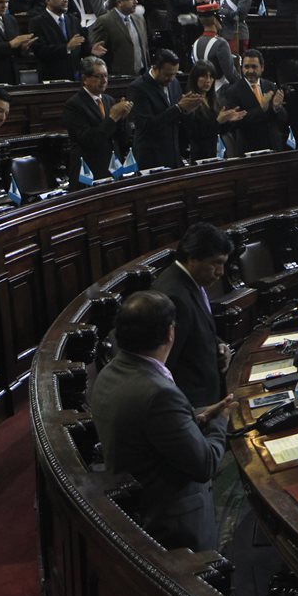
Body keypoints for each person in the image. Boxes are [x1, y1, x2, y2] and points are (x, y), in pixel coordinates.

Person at [90, 290, 233, 554]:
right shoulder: (159, 393)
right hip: (172, 525)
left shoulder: (110, 372)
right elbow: (205, 464)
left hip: (137, 508)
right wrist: (221, 420)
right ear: (170, 333)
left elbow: (148, 430)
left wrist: (197, 418)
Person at [151, 223, 234, 408]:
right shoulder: (173, 296)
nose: (220, 272)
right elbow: (166, 364)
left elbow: (196, 330)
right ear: (192, 258)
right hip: (193, 406)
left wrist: (219, 345)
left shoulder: (190, 283)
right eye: (216, 263)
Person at [127, 48, 200, 170]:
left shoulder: (174, 83)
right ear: (155, 68)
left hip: (173, 154)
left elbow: (177, 117)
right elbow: (146, 126)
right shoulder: (138, 88)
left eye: (174, 74)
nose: (171, 78)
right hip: (151, 157)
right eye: (167, 74)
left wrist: (188, 109)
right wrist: (179, 107)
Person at [63, 56, 132, 180]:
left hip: (113, 168)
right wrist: (112, 118)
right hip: (89, 171)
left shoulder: (109, 100)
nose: (104, 80)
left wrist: (122, 118)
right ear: (85, 79)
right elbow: (89, 139)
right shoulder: (74, 105)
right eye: (99, 76)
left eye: (106, 76)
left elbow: (123, 138)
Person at [30, 0, 107, 82]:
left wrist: (90, 50)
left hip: (75, 77)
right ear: (48, 0)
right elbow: (40, 51)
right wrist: (66, 47)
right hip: (52, 78)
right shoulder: (37, 22)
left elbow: (82, 47)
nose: (65, 0)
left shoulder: (73, 20)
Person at [224, 49, 286, 154]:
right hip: (249, 149)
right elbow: (237, 123)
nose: (250, 71)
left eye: (254, 66)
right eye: (246, 67)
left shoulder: (271, 86)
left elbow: (284, 119)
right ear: (241, 68)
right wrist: (261, 108)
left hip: (273, 147)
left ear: (262, 67)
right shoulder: (233, 91)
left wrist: (277, 108)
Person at [182, 61, 244, 160]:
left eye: (211, 77)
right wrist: (218, 121)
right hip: (200, 155)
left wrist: (228, 121)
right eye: (204, 76)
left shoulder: (213, 100)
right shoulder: (189, 101)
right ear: (195, 78)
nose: (208, 80)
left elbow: (218, 129)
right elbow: (194, 133)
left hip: (216, 152)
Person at [90, 0, 149, 77]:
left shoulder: (139, 19)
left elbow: (145, 48)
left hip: (142, 75)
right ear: (119, 2)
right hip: (118, 77)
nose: (136, 2)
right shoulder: (105, 21)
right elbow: (97, 52)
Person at [190, 2, 239, 89]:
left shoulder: (196, 43)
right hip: (219, 90)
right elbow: (231, 75)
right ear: (214, 19)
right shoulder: (221, 43)